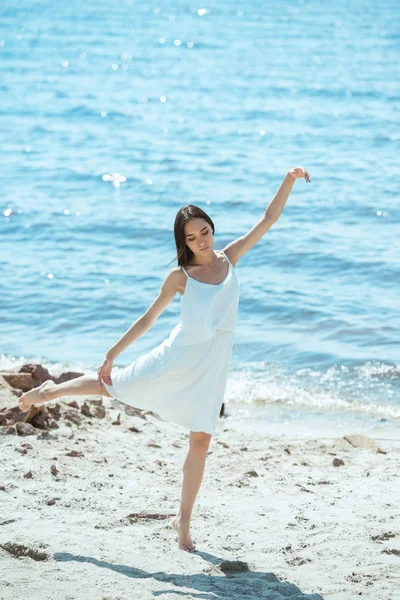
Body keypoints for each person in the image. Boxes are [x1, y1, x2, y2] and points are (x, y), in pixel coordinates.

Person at [18, 166, 311, 552]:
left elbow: (268, 218)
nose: (201, 241)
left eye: (204, 231)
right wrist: (112, 352)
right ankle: (49, 391)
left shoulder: (229, 258)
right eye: (192, 238)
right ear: (184, 243)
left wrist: (289, 179)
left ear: (211, 228)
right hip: (177, 356)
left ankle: (183, 521)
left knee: (201, 441)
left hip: (213, 363)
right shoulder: (180, 276)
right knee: (113, 386)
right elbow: (148, 318)